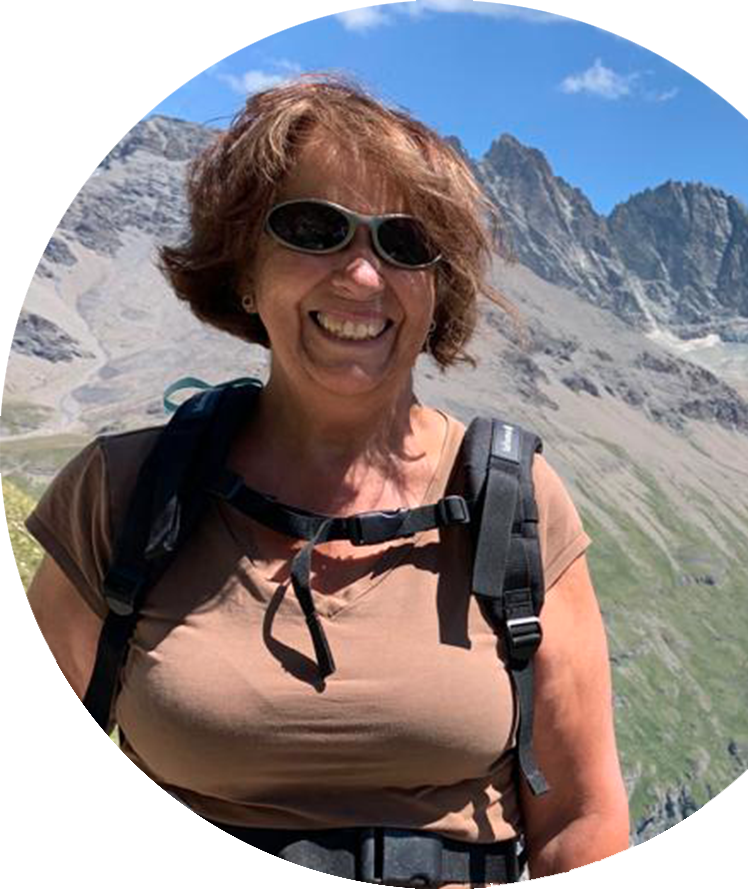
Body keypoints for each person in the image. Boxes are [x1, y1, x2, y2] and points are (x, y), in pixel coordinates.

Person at [25, 75, 629, 883]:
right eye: (314, 228)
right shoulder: (122, 491)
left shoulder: (514, 501)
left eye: (405, 243)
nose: (362, 275)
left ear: (437, 290)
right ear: (244, 268)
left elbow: (582, 819)